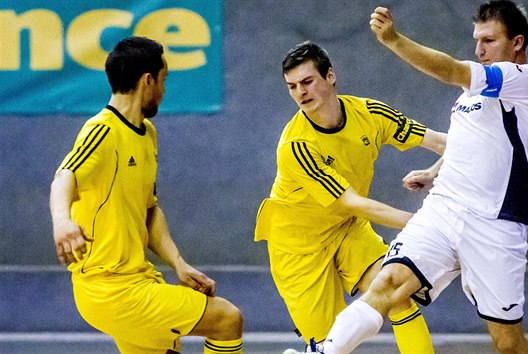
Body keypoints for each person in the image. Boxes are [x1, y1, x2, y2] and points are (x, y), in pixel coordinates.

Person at [321, 1, 528, 353]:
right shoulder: (470, 97)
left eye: (488, 40)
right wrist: (432, 171)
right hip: (444, 209)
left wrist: (394, 40)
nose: (479, 49)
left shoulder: (527, 81)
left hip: (495, 222)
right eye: (476, 40)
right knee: (388, 283)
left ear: (517, 42)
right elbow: (470, 140)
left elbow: (453, 70)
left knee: (508, 344)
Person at [50, 36, 243, 354]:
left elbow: (149, 210)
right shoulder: (102, 131)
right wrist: (61, 221)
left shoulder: (147, 134)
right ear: (148, 80)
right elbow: (64, 177)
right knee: (227, 319)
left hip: (137, 280)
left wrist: (179, 265)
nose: (164, 91)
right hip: (111, 289)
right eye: (164, 81)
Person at [254, 41, 447, 354]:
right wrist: (421, 224)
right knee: (330, 345)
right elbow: (352, 201)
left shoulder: (370, 114)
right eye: (292, 87)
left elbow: (446, 143)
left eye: (307, 82)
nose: (300, 93)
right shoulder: (296, 145)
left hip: (346, 229)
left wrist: (433, 171)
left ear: (330, 76)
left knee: (397, 291)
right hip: (298, 245)